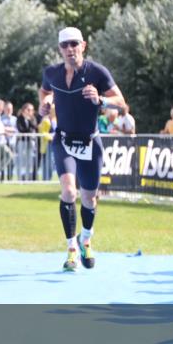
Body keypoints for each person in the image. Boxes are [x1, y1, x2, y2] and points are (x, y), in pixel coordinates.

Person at [39, 27, 126, 272]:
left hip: (90, 142)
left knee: (89, 197)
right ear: (60, 49)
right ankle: (71, 250)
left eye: (74, 44)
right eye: (65, 45)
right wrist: (44, 103)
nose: (69, 49)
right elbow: (45, 91)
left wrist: (102, 99)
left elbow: (122, 103)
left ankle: (86, 240)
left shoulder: (97, 72)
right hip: (64, 140)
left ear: (83, 46)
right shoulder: (52, 72)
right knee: (69, 192)